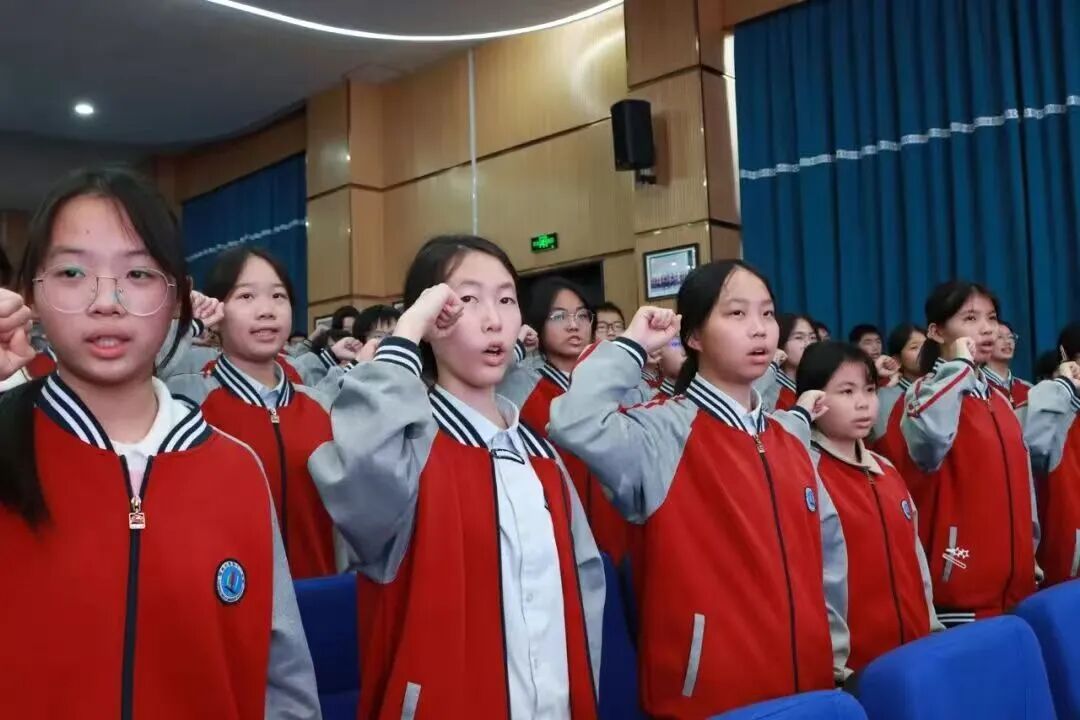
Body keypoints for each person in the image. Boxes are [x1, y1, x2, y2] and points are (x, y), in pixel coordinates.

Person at [0, 167, 319, 718]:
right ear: (31, 294)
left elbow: (282, 678)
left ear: (177, 298)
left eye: (139, 273)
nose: (107, 301)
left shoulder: (235, 468)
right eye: (72, 272)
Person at [309, 235, 603, 720]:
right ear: (431, 317)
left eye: (506, 300)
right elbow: (357, 486)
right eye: (467, 300)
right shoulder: (410, 448)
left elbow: (582, 601)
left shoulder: (541, 457)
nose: (494, 320)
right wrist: (406, 333)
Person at [549, 260, 847, 717]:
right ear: (693, 336)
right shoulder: (660, 433)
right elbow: (574, 421)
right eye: (736, 313)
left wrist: (834, 658)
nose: (759, 329)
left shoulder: (789, 437)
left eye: (767, 313)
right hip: (707, 701)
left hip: (808, 692)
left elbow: (828, 557)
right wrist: (631, 345)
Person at [167, 247, 338, 579]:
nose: (266, 311)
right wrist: (188, 327)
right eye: (246, 296)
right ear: (217, 311)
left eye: (278, 296)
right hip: (227, 597)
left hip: (320, 594)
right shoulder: (186, 403)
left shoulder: (322, 407)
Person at [884, 280, 1037, 626]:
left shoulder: (999, 401)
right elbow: (930, 442)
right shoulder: (922, 394)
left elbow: (1024, 485)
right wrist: (960, 368)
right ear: (936, 332)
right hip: (959, 594)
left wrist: (1029, 553)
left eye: (991, 317)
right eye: (970, 318)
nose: (987, 328)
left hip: (1016, 594)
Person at [797, 341, 940, 673]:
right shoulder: (804, 474)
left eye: (870, 390)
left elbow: (916, 560)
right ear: (813, 399)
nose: (863, 403)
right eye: (846, 392)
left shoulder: (886, 470)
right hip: (852, 669)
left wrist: (932, 629)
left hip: (916, 655)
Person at [500, 278, 631, 563]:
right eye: (559, 316)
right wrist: (519, 345)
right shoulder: (521, 387)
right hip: (558, 533)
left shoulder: (608, 384)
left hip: (618, 527)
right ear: (537, 323)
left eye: (582, 315)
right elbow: (488, 375)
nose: (574, 325)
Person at [1023, 323, 1080, 587]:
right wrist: (1063, 387)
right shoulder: (1050, 407)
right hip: (1065, 567)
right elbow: (1033, 449)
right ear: (1066, 357)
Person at [874, 324, 926, 440]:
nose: (924, 351)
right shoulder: (885, 396)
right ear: (897, 359)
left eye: (927, 346)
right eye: (914, 347)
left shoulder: (943, 387)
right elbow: (885, 441)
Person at [765, 313, 816, 411]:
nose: (808, 344)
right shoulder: (769, 387)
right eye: (799, 337)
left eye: (812, 338)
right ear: (780, 342)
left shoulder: (821, 384)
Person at [983, 320, 1031, 408]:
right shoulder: (978, 387)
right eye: (1000, 337)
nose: (1008, 341)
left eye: (1010, 337)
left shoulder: (1027, 388)